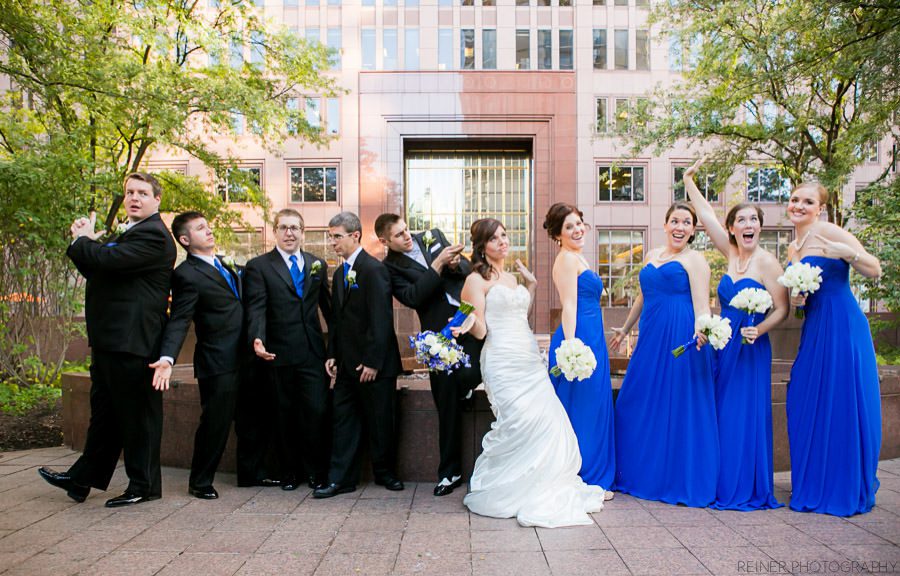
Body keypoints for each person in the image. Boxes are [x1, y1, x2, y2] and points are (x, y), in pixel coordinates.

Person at [453, 218, 605, 528]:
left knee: (549, 419)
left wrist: (531, 286)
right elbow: (482, 330)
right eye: (494, 238)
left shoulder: (512, 278)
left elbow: (519, 315)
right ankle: (508, 487)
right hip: (501, 359)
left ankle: (542, 483)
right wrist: (468, 323)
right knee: (518, 420)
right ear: (482, 246)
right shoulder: (475, 281)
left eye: (504, 235)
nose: (502, 242)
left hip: (528, 358)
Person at [38, 172, 177, 507]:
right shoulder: (130, 233)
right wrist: (84, 244)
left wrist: (84, 241)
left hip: (134, 341)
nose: (134, 198)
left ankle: (144, 486)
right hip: (111, 340)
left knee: (137, 417)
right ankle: (82, 479)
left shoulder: (154, 235)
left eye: (142, 193)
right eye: (129, 192)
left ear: (157, 200)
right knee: (106, 415)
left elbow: (106, 261)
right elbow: (100, 269)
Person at [683, 159, 787, 511]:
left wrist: (760, 328)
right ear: (731, 228)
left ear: (760, 227)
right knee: (719, 411)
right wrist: (688, 180)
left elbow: (783, 308)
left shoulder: (768, 262)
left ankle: (742, 484)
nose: (748, 225)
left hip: (751, 348)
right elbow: (705, 215)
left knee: (740, 414)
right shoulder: (729, 253)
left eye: (753, 220)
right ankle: (717, 479)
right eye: (741, 220)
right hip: (723, 345)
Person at [610, 202, 718, 507]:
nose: (680, 227)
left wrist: (702, 330)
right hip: (651, 334)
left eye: (686, 223)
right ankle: (641, 472)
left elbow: (702, 304)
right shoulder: (651, 255)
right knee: (637, 397)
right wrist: (625, 328)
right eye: (675, 221)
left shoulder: (696, 260)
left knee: (677, 402)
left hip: (680, 334)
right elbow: (642, 297)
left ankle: (675, 477)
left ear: (693, 230)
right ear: (666, 224)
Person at [785, 182, 882, 516]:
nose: (799, 206)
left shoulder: (829, 232)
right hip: (815, 327)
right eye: (794, 199)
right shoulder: (793, 247)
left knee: (841, 399)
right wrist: (797, 301)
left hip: (843, 324)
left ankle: (842, 484)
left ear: (820, 208)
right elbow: (799, 302)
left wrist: (848, 253)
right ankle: (816, 480)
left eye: (808, 201)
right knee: (804, 396)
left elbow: (874, 269)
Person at [376, 214, 483, 497]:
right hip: (437, 336)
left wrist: (454, 264)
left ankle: (465, 388)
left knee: (473, 372)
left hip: (469, 318)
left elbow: (468, 271)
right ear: (385, 241)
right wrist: (436, 266)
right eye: (398, 235)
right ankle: (449, 472)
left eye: (406, 229)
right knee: (445, 403)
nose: (407, 236)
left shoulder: (432, 236)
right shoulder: (389, 268)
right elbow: (413, 297)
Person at [148, 211, 244, 500]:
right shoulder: (185, 274)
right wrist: (167, 358)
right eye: (201, 228)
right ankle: (200, 481)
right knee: (215, 423)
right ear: (185, 240)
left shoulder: (224, 263)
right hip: (217, 360)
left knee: (249, 417)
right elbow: (179, 319)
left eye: (208, 226)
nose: (209, 231)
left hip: (245, 356)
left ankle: (252, 474)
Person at [314, 212, 404, 498]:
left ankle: (386, 474)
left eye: (337, 236)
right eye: (330, 237)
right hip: (346, 364)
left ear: (355, 236)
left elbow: (381, 319)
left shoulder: (374, 270)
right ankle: (341, 479)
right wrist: (332, 354)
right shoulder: (341, 273)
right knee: (343, 421)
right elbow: (337, 320)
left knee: (381, 421)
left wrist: (373, 362)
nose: (332, 242)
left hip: (375, 365)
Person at [244, 209, 332, 491]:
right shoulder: (259, 266)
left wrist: (335, 349)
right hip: (278, 354)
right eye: (283, 227)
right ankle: (290, 473)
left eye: (294, 228)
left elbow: (328, 309)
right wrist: (257, 338)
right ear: (275, 232)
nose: (289, 233)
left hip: (312, 352)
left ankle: (316, 472)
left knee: (316, 411)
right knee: (285, 415)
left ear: (303, 232)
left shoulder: (317, 264)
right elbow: (256, 308)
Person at [543, 203, 615, 493]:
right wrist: (572, 346)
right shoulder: (566, 260)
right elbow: (569, 305)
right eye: (569, 226)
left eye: (578, 223)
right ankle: (583, 477)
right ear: (558, 235)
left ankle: (592, 474)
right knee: (583, 408)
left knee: (594, 406)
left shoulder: (577, 257)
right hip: (579, 338)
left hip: (593, 336)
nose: (577, 230)